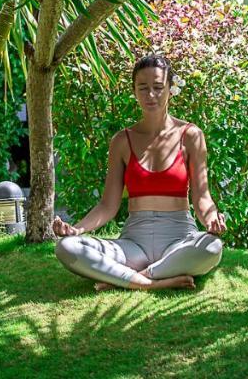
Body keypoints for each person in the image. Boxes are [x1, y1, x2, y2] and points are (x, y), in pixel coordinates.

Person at [53, 54, 226, 290]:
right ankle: (153, 282)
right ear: (134, 91)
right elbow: (108, 206)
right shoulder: (122, 141)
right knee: (67, 247)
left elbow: (202, 197)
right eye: (143, 88)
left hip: (179, 237)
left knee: (212, 247)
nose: (150, 95)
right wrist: (77, 230)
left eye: (158, 87)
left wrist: (212, 220)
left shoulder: (191, 135)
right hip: (134, 242)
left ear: (170, 89)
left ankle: (130, 278)